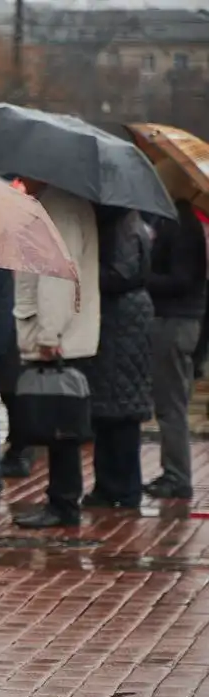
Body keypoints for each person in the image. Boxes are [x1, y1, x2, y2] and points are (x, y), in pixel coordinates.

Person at [12, 180, 102, 529]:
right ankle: (63, 500)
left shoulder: (58, 208)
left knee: (60, 426)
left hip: (58, 335)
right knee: (62, 423)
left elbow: (55, 277)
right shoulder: (69, 202)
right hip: (67, 331)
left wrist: (49, 334)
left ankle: (63, 503)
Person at [82, 208, 155, 508]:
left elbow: (120, 273)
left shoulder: (123, 226)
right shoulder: (126, 222)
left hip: (122, 323)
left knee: (121, 411)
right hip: (122, 322)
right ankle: (112, 485)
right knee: (111, 409)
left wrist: (84, 270)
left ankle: (122, 488)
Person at [144, 161, 208, 501]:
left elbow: (182, 279)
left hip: (174, 321)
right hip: (181, 320)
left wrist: (144, 278)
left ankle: (177, 476)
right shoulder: (184, 221)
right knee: (172, 402)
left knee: (171, 405)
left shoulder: (178, 224)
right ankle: (173, 472)